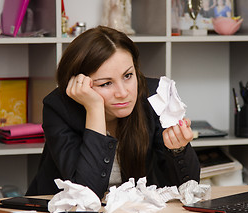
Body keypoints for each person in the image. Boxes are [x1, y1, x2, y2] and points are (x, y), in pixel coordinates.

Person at [26, 26, 200, 199]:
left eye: (128, 76)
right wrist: (94, 109)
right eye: (106, 83)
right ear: (81, 85)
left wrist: (178, 149)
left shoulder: (154, 97)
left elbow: (188, 188)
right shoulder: (59, 108)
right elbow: (85, 195)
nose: (123, 93)